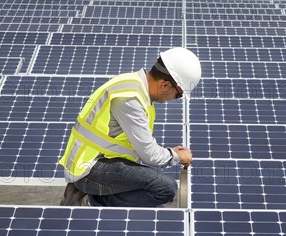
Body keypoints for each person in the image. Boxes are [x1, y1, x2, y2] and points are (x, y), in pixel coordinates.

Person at [59, 47, 201, 207]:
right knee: (165, 188)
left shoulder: (134, 86)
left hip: (103, 161)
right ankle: (92, 200)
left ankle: (94, 194)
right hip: (90, 168)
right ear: (166, 85)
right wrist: (176, 157)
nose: (175, 99)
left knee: (149, 186)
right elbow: (149, 154)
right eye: (179, 94)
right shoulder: (130, 99)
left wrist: (171, 153)